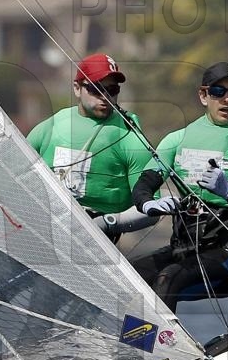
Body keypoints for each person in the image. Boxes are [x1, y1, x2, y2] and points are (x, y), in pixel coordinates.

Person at [127, 61, 228, 305]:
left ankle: (157, 332)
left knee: (168, 278)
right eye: (218, 91)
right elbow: (144, 186)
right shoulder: (177, 139)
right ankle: (116, 333)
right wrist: (148, 203)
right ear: (203, 95)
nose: (227, 99)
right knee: (126, 277)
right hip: (183, 251)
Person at [28, 52, 158, 237]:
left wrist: (106, 223)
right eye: (96, 89)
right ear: (77, 88)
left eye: (112, 90)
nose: (105, 96)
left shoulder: (131, 137)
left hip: (95, 241)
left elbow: (151, 209)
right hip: (42, 230)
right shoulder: (50, 127)